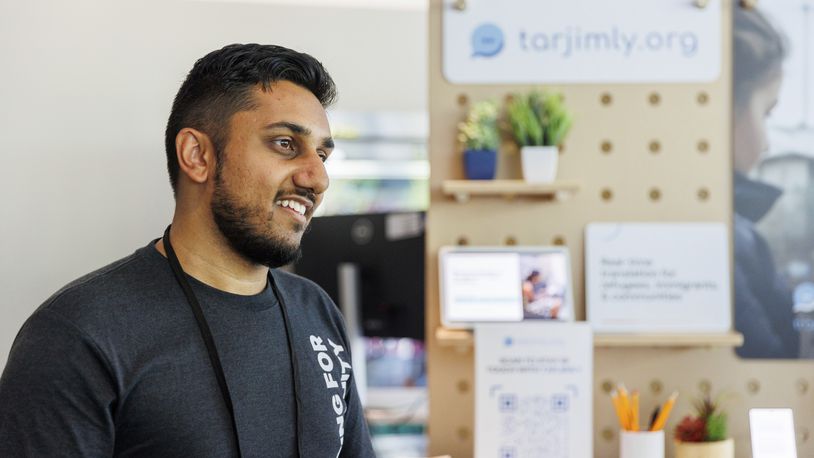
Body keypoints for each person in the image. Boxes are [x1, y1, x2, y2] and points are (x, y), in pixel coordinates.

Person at [0, 44, 376, 457]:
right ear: (197, 156)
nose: (318, 178)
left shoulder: (315, 311)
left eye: (322, 154)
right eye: (285, 143)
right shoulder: (79, 333)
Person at [732, 7, 799, 358]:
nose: (768, 143)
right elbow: (768, 355)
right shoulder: (732, 236)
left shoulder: (735, 228)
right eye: (766, 112)